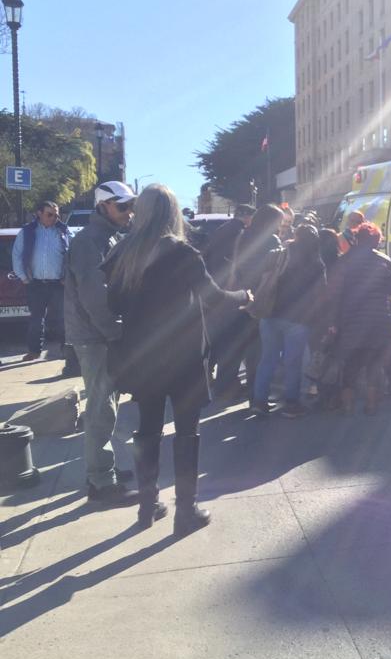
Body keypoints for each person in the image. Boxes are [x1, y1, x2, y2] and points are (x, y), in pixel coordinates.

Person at [104, 184, 251, 534]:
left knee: (147, 430)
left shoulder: (124, 253)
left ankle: (147, 506)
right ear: (172, 213)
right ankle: (186, 511)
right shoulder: (182, 253)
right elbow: (214, 297)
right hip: (184, 357)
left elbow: (113, 305)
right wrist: (245, 294)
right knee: (187, 432)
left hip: (144, 357)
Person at [64, 181, 139, 505]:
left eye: (130, 206)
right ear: (103, 207)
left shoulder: (107, 237)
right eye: (122, 206)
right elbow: (94, 297)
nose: (129, 212)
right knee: (100, 410)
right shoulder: (89, 242)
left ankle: (102, 470)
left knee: (105, 406)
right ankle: (100, 483)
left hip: (100, 333)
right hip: (95, 336)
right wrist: (115, 333)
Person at [250, 224, 326, 418]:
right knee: (293, 363)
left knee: (267, 359)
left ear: (296, 236)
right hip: (298, 319)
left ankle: (259, 401)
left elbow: (261, 277)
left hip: (270, 313)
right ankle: (291, 403)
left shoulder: (279, 255)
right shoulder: (317, 264)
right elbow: (321, 294)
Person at [216, 203, 286, 401]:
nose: (281, 226)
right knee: (257, 347)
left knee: (233, 345)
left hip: (240, 293)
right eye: (279, 222)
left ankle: (225, 387)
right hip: (260, 295)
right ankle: (255, 388)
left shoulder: (244, 235)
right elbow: (275, 269)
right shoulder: (271, 240)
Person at [325, 222, 391, 415]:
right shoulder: (385, 261)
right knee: (374, 363)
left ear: (357, 239)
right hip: (379, 319)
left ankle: (347, 406)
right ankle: (371, 405)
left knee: (350, 363)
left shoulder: (344, 261)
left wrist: (333, 322)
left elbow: (334, 293)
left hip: (351, 320)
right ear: (377, 240)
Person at [203, 204, 255, 398]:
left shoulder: (221, 230)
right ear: (247, 217)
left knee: (217, 335)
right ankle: (227, 384)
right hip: (230, 289)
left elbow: (207, 255)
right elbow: (236, 260)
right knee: (230, 339)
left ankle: (207, 372)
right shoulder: (240, 232)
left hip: (213, 286)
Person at [12, 199, 72, 365]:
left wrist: (68, 277)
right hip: (36, 283)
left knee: (62, 319)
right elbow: (17, 255)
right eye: (50, 214)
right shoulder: (27, 232)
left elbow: (72, 255)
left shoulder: (64, 232)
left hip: (58, 284)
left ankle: (67, 350)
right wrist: (23, 277)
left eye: (57, 215)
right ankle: (33, 351)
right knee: (36, 319)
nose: (54, 218)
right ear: (39, 213)